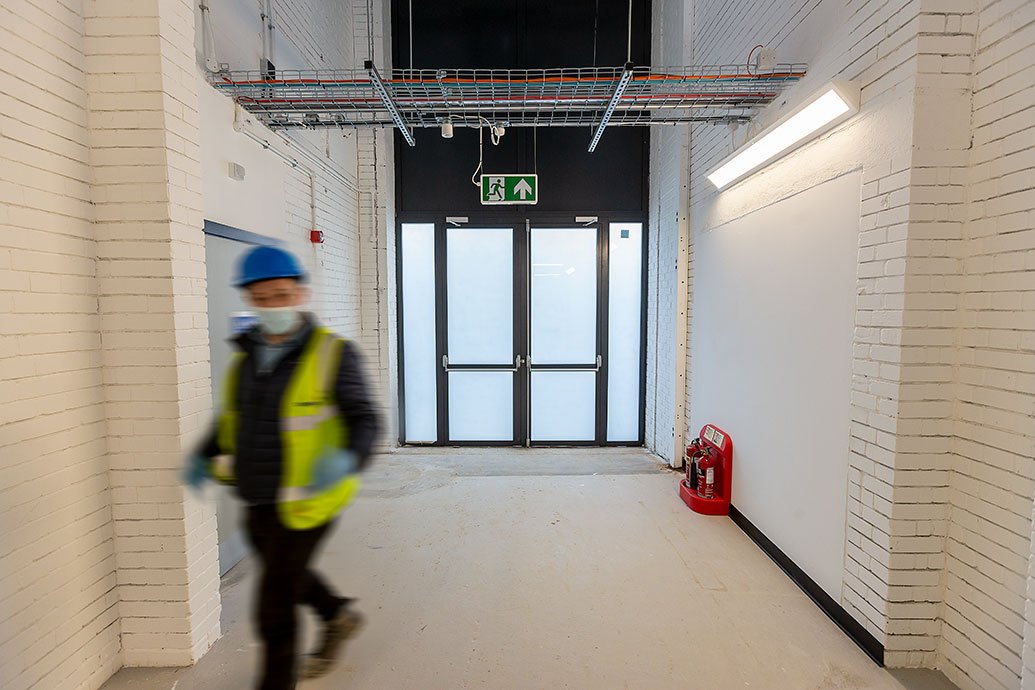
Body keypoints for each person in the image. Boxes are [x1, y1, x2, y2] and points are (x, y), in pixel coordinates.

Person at [183, 245, 380, 690]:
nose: (273, 306)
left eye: (282, 295)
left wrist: (349, 458)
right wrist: (205, 452)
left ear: (300, 293)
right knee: (286, 572)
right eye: (262, 298)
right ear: (249, 299)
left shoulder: (333, 354)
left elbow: (365, 419)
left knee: (274, 604)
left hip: (310, 498)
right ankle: (336, 614)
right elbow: (233, 418)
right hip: (258, 494)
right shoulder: (245, 358)